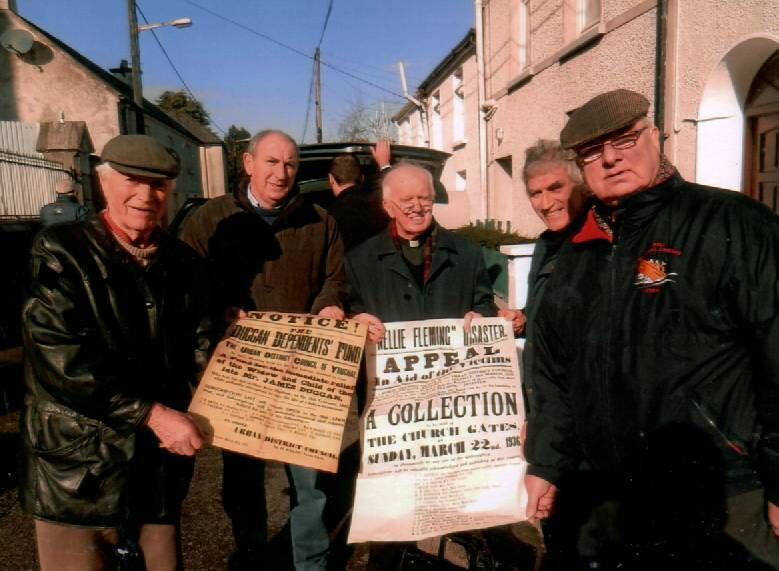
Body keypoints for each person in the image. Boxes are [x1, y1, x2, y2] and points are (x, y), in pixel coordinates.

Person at [524, 89, 779, 568]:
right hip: (606, 494)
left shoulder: (731, 223)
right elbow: (556, 373)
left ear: (655, 135)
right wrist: (546, 463)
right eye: (593, 153)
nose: (612, 160)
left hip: (722, 490)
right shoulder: (576, 253)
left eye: (625, 140)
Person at [21, 134, 210, 571]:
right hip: (79, 474)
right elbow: (60, 360)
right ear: (103, 182)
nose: (146, 196)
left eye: (159, 185)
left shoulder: (184, 264)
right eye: (131, 180)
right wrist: (154, 415)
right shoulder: (59, 251)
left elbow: (201, 349)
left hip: (156, 471)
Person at [179, 129, 346, 571]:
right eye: (271, 162)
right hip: (239, 372)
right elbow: (184, 286)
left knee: (310, 480)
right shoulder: (209, 219)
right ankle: (250, 551)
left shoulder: (319, 219)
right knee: (242, 476)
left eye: (290, 164)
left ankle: (311, 561)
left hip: (305, 371)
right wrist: (219, 311)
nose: (282, 173)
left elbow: (335, 277)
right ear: (248, 163)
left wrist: (328, 304)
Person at [498, 140, 589, 335]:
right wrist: (522, 319)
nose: (545, 204)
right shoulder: (546, 243)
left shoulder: (601, 243)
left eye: (555, 188)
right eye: (536, 193)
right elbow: (545, 316)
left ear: (581, 185)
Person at [326, 153, 388, 251]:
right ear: (362, 178)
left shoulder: (329, 218)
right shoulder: (382, 206)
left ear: (331, 179)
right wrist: (385, 166)